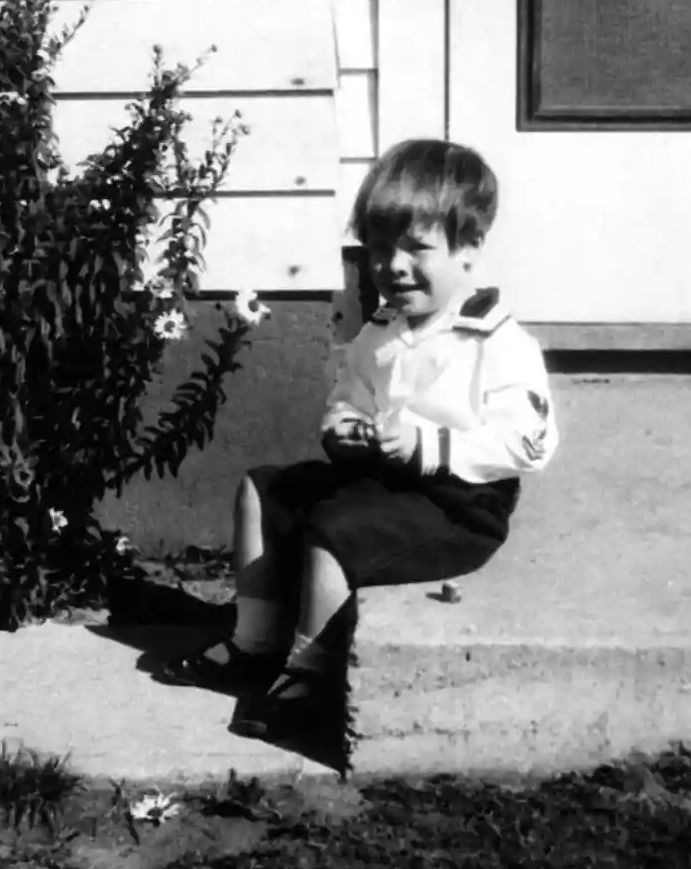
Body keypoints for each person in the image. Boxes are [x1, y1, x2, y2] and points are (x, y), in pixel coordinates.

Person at [161, 138, 559, 741]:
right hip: (379, 481)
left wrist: (428, 446)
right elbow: (350, 394)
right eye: (378, 249)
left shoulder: (496, 342)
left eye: (416, 248)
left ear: (470, 249)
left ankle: (310, 680)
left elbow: (529, 444)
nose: (393, 266)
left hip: (458, 506)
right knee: (264, 489)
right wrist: (342, 429)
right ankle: (255, 642)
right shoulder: (381, 331)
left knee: (337, 529)